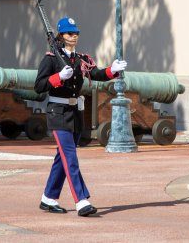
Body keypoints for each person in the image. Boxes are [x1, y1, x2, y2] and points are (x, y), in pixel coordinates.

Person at [34, 16, 127, 217]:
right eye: (69, 33)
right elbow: (39, 86)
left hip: (76, 114)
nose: (74, 37)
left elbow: (95, 75)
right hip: (58, 114)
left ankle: (48, 198)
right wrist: (58, 77)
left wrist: (112, 70)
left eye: (76, 33)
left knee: (62, 158)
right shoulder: (51, 59)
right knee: (70, 157)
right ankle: (81, 200)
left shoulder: (81, 58)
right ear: (61, 36)